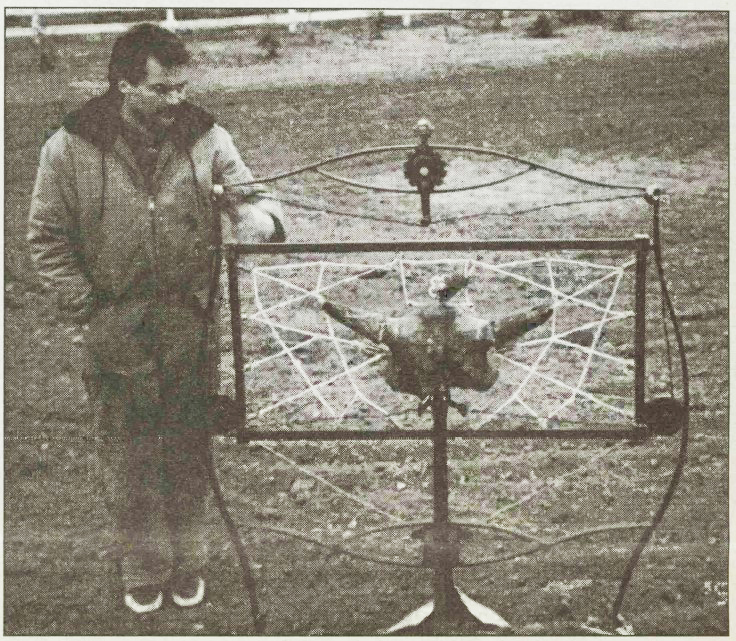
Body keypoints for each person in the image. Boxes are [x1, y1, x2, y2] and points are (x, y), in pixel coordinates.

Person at [27, 23, 284, 614]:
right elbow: (46, 240)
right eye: (163, 90)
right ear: (124, 86)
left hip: (189, 327)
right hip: (113, 330)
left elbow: (258, 200)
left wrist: (256, 221)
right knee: (127, 453)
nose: (177, 102)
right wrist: (89, 312)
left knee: (187, 450)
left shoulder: (205, 134)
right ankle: (143, 569)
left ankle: (189, 565)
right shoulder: (70, 145)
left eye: (182, 88)